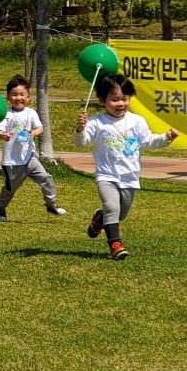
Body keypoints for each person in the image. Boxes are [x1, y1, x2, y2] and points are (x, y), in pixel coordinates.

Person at [74, 73, 178, 260]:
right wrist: (81, 129)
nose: (120, 104)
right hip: (106, 176)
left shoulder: (136, 121)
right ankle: (116, 245)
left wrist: (166, 138)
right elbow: (81, 143)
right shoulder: (97, 122)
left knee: (120, 214)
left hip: (130, 177)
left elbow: (149, 141)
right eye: (114, 100)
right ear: (102, 101)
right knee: (112, 207)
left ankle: (100, 219)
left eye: (124, 99)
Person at [0, 75, 66, 222]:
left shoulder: (31, 113)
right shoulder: (5, 114)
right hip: (12, 162)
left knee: (46, 178)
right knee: (10, 189)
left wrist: (33, 133)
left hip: (29, 158)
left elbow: (40, 128)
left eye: (22, 94)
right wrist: (3, 135)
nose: (18, 98)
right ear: (8, 97)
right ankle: (0, 209)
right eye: (14, 94)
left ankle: (51, 204)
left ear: (28, 97)